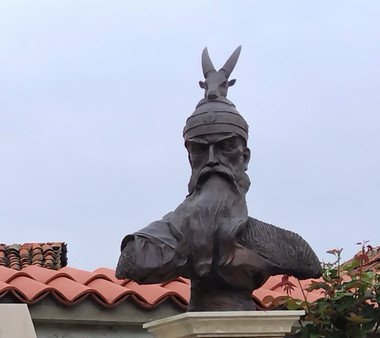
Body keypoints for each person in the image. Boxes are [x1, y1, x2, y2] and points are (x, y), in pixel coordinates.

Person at [116, 48, 319, 311]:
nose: (212, 160)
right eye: (201, 149)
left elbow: (311, 265)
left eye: (226, 148)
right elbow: (128, 265)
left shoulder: (286, 246)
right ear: (191, 158)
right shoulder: (153, 242)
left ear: (244, 158)